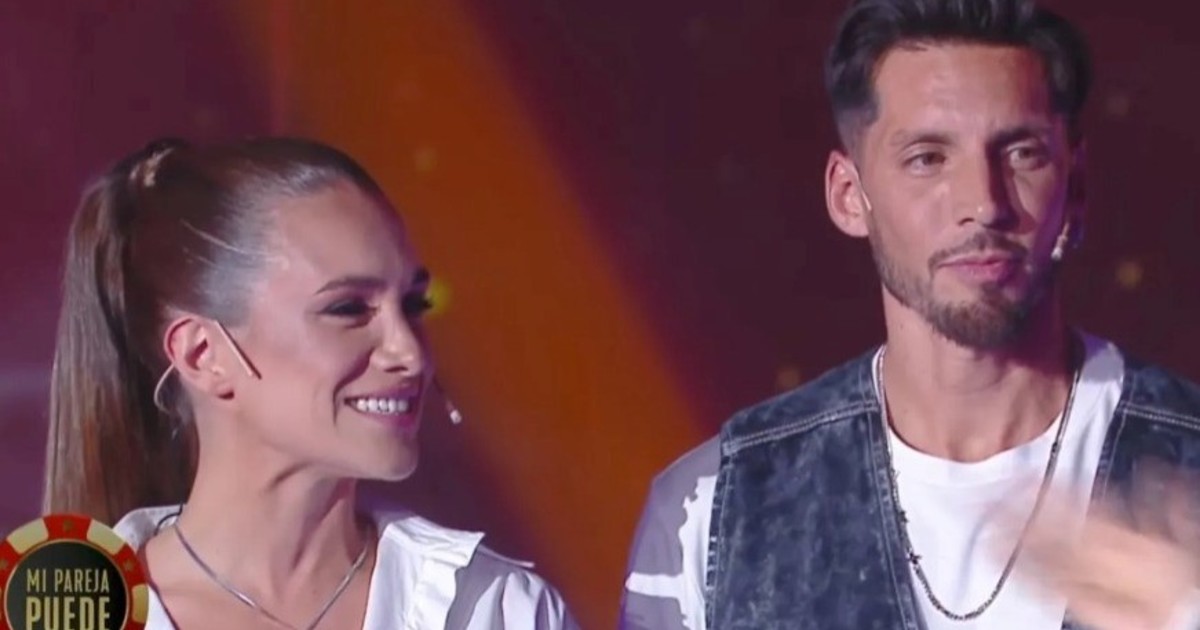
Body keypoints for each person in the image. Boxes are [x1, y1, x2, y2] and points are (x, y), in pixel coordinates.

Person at [620, 1, 1200, 629]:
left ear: (1076, 187)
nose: (983, 203)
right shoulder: (713, 512)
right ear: (849, 195)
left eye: (1021, 153)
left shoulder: (1187, 466)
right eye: (928, 158)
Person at [43, 137, 579, 629]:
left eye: (414, 305)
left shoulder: (496, 610)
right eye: (347, 309)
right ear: (203, 355)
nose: (410, 354)